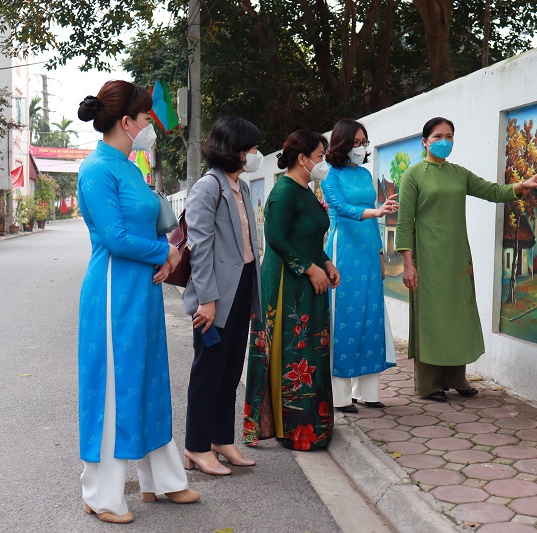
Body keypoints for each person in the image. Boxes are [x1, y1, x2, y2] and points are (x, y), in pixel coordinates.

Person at [76, 81, 199, 524]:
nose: (151, 125)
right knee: (112, 386)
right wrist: (163, 252)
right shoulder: (96, 170)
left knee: (148, 379)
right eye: (147, 118)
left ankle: (161, 482)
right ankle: (101, 494)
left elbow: (148, 224)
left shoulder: (130, 167)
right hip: (112, 291)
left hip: (142, 288)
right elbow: (113, 238)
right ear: (127, 122)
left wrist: (165, 254)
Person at [395, 117, 537, 402]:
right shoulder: (414, 175)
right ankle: (430, 384)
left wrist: (520, 186)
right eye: (438, 136)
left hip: (457, 257)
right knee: (432, 318)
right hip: (427, 258)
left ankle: (456, 378)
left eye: (450, 136)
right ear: (425, 141)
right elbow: (404, 223)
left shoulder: (459, 174)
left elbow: (492, 191)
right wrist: (408, 263)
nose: (445, 141)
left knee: (458, 315)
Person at [243, 130, 341, 450]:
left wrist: (325, 263)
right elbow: (277, 239)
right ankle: (292, 429)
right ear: (302, 159)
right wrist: (309, 268)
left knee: (312, 351)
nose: (323, 162)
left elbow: (308, 238)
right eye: (320, 156)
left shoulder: (307, 190)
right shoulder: (284, 192)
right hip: (288, 284)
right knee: (292, 353)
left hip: (310, 279)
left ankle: (314, 422)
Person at [181, 117, 264, 475]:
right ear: (235, 150)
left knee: (231, 370)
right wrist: (207, 299)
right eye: (253, 148)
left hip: (242, 284)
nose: (257, 154)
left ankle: (221, 439)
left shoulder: (241, 187)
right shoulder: (207, 187)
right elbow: (200, 246)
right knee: (209, 370)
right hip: (214, 293)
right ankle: (196, 446)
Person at [322, 119, 399, 413]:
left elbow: (373, 219)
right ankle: (340, 395)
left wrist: (381, 254)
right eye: (355, 142)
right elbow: (340, 208)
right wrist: (376, 210)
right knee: (345, 316)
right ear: (341, 143)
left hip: (368, 249)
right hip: (344, 250)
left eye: (364, 142)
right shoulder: (330, 176)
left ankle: (367, 392)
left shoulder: (366, 174)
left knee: (371, 315)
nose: (361, 147)